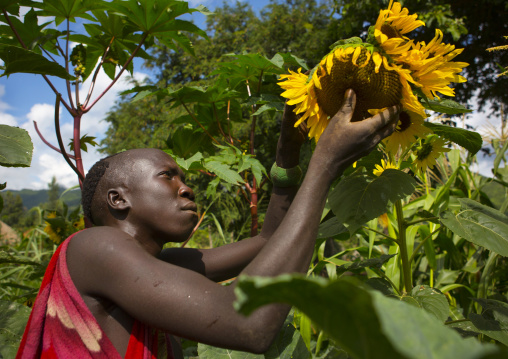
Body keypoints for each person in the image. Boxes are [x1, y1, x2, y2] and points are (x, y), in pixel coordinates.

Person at [17, 89, 399, 358]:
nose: (187, 189)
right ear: (119, 199)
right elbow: (248, 324)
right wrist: (326, 164)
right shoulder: (94, 246)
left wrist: (287, 158)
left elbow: (269, 240)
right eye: (168, 177)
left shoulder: (157, 268)